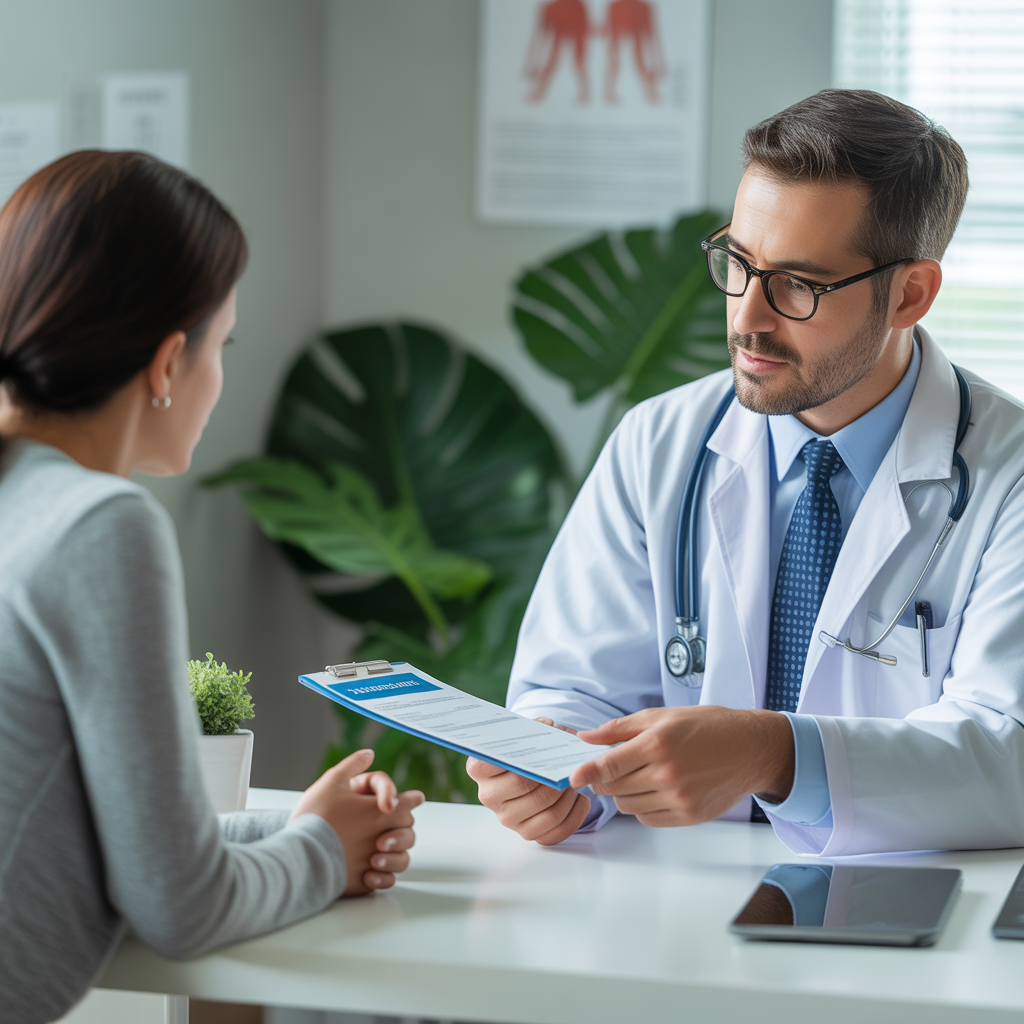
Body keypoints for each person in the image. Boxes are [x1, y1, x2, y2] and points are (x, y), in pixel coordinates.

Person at [469, 89, 1024, 857]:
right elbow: (570, 688)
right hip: (671, 906)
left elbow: (1009, 750)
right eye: (737, 262)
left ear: (910, 294)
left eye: (798, 284)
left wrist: (774, 754)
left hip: (907, 914)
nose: (746, 317)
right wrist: (550, 768)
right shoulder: (658, 442)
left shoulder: (1009, 476)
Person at [0, 151, 423, 1024]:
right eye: (221, 345)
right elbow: (178, 906)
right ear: (165, 365)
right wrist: (321, 854)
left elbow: (101, 843)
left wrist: (297, 829)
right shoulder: (100, 524)